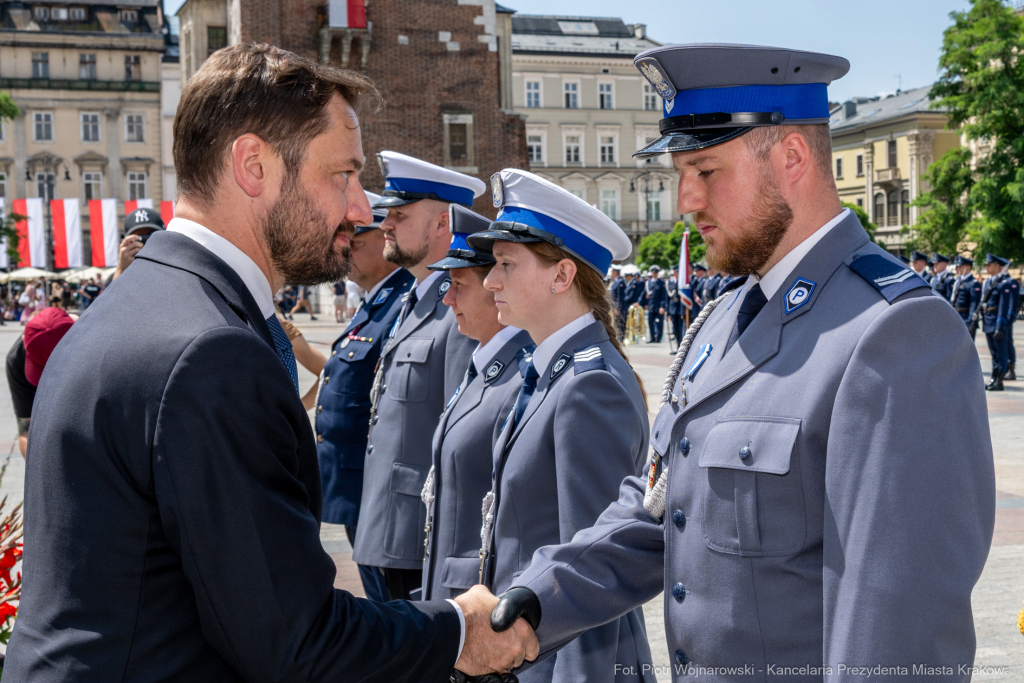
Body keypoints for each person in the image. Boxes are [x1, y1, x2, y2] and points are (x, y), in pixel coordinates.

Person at [5, 43, 535, 681]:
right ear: (253, 165)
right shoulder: (210, 351)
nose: (361, 209)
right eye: (341, 176)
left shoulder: (141, 301)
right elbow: (295, 641)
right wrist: (458, 630)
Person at [488, 43, 994, 679]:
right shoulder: (724, 317)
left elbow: (896, 623)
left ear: (791, 158)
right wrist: (539, 599)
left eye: (705, 171)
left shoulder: (894, 332)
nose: (685, 202)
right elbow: (661, 509)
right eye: (680, 173)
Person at [467, 168, 654, 683]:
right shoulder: (550, 368)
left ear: (561, 276)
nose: (490, 281)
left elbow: (596, 571)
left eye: (506, 264)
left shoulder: (587, 386)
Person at [353, 151, 480, 602]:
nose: (385, 225)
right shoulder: (414, 299)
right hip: (382, 526)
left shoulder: (461, 311)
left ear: (443, 224)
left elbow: (463, 441)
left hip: (416, 539)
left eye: (400, 215)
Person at [421, 204, 533, 601]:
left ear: (494, 286)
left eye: (459, 284)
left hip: (482, 597)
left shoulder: (523, 377)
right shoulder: (483, 364)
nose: (448, 298)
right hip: (452, 591)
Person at [315, 190, 413, 604]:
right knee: (379, 600)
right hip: (356, 485)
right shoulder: (374, 303)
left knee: (394, 605)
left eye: (357, 240)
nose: (347, 249)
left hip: (378, 489)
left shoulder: (403, 301)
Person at [5, 307, 75, 457]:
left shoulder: (101, 339)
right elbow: (27, 430)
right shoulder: (17, 360)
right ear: (25, 339)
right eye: (40, 368)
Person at [982, 253, 1014, 391]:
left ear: (997, 266)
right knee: (994, 354)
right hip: (988, 321)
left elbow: (1003, 307)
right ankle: (994, 378)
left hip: (997, 322)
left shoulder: (1003, 283)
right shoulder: (988, 282)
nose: (987, 267)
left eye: (989, 264)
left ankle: (999, 381)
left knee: (1001, 354)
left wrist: (1000, 325)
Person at [110, 206, 166, 283]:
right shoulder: (119, 275)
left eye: (151, 235)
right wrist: (121, 268)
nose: (145, 242)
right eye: (138, 238)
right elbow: (112, 294)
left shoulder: (175, 268)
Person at [949, 255, 982, 336]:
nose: (958, 268)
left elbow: (974, 303)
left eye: (960, 266)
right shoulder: (958, 281)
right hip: (956, 317)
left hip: (966, 318)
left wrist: (970, 321)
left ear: (968, 267)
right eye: (957, 266)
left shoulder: (974, 283)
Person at [641, 264, 667, 343]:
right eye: (653, 272)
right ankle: (652, 337)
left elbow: (664, 296)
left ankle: (658, 338)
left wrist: (662, 306)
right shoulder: (648, 283)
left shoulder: (661, 283)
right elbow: (644, 294)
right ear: (651, 273)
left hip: (659, 306)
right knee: (650, 322)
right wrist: (645, 304)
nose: (654, 274)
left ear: (657, 273)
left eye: (656, 272)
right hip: (651, 306)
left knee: (659, 323)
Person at [666, 264, 684, 351]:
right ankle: (677, 344)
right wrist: (667, 311)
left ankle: (681, 345)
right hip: (673, 308)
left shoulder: (682, 282)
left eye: (677, 272)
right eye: (675, 272)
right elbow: (668, 297)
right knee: (675, 328)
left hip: (680, 308)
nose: (676, 273)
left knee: (681, 328)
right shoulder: (671, 282)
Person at [609, 265, 625, 339]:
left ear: (615, 272)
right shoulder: (616, 281)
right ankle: (618, 337)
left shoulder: (620, 282)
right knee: (616, 323)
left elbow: (619, 297)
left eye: (612, 272)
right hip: (614, 306)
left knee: (620, 323)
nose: (612, 273)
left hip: (618, 308)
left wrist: (617, 308)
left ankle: (621, 338)